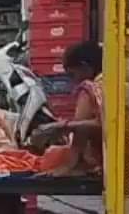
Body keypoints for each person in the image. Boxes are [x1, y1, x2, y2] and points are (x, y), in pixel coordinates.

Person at [35, 41, 104, 176]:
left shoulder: (89, 88)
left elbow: (82, 130)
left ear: (85, 67)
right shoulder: (115, 80)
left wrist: (68, 166)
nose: (74, 81)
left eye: (72, 74)